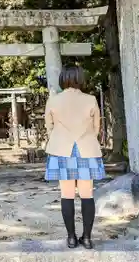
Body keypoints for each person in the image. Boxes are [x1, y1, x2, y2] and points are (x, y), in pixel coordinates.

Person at [44, 67, 105, 249]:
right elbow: (96, 127)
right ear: (81, 79)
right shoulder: (90, 99)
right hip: (86, 149)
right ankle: (86, 238)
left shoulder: (54, 100)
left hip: (62, 149)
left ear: (63, 78)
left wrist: (60, 137)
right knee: (87, 195)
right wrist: (86, 138)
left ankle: (71, 237)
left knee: (67, 195)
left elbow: (49, 126)